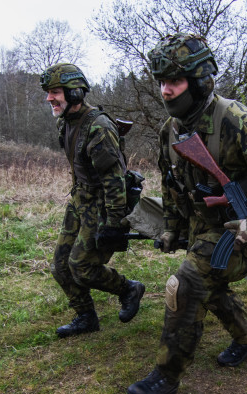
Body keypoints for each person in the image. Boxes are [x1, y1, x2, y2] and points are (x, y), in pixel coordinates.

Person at [127, 33, 247, 394]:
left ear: (199, 80)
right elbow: (172, 183)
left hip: (246, 230)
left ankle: (166, 374)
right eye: (161, 82)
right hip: (204, 227)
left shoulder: (238, 122)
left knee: (188, 281)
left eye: (174, 82)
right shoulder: (171, 131)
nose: (165, 91)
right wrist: (171, 229)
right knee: (207, 282)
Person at [40, 63, 145, 338]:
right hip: (79, 202)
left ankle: (129, 289)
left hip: (102, 206)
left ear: (75, 93)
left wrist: (113, 224)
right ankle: (85, 316)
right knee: (60, 266)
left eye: (55, 92)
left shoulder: (98, 127)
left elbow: (114, 180)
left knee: (82, 266)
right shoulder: (67, 123)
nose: (49, 98)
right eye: (48, 93)